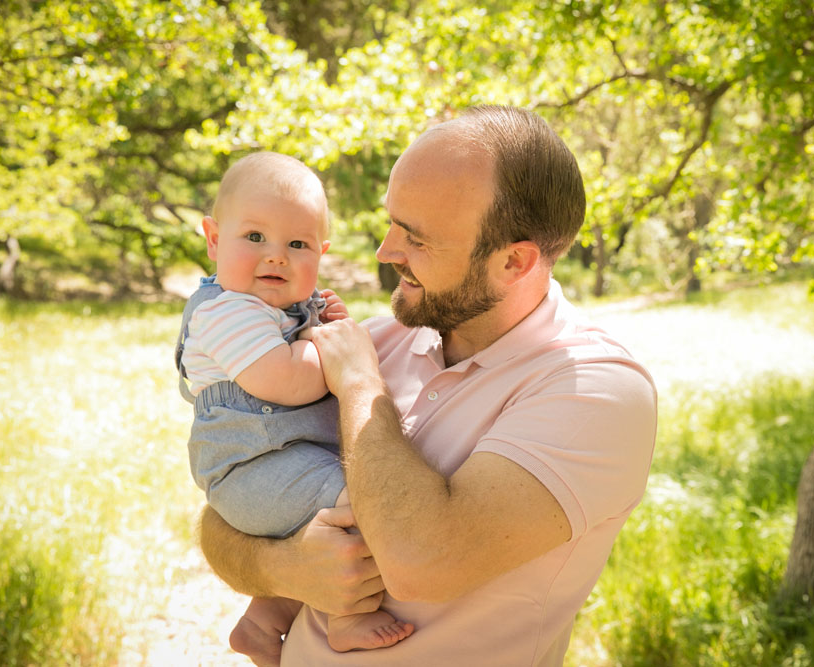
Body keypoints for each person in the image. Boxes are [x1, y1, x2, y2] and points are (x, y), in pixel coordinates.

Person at [199, 106, 658, 665]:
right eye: (392, 222)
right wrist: (281, 567)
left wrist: (361, 386)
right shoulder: (376, 339)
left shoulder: (596, 391)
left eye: (417, 238)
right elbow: (225, 505)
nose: (385, 251)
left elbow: (420, 562)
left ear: (514, 261)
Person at [174, 151, 413, 665]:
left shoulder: (282, 309)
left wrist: (322, 324)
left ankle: (263, 623)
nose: (276, 256)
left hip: (285, 456)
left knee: (321, 515)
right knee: (364, 501)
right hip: (250, 467)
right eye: (255, 237)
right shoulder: (226, 313)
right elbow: (286, 382)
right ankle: (345, 619)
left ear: (320, 254)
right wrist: (334, 348)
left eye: (298, 244)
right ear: (214, 239)